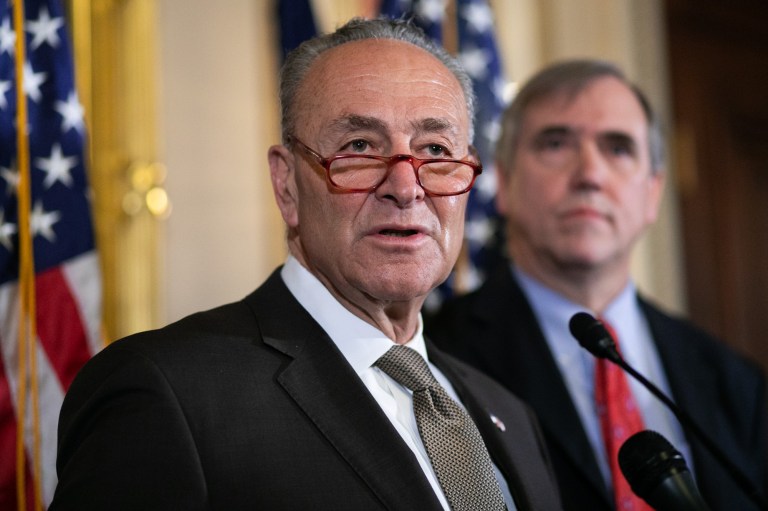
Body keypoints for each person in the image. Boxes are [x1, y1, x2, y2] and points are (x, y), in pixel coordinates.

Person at [50, 18, 563, 511]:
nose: (406, 187)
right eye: (360, 147)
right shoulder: (167, 394)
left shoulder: (509, 415)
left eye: (435, 149)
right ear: (287, 184)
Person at [426, 59, 767, 511]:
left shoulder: (735, 382)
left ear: (653, 193)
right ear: (503, 183)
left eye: (618, 148)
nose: (590, 174)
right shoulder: (436, 356)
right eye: (555, 143)